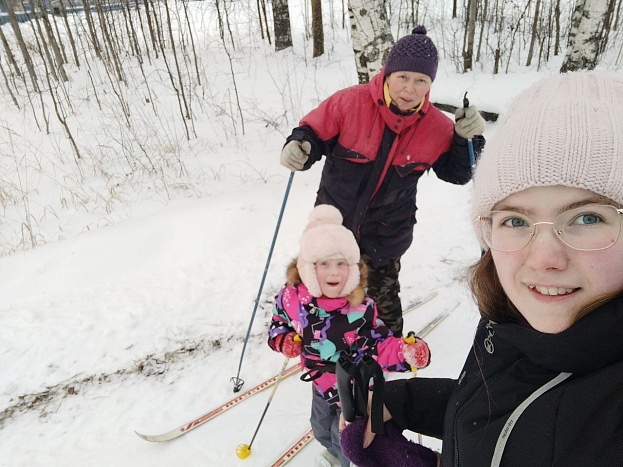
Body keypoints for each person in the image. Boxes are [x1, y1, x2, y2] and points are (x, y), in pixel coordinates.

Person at [338, 70, 623, 467]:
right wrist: (400, 403)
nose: (544, 259)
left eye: (588, 218)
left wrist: (461, 140)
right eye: (516, 221)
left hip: (388, 238)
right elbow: (506, 408)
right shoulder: (508, 319)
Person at [280, 26, 486, 337]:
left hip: (386, 236)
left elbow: (458, 173)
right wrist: (299, 146)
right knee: (322, 290)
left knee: (383, 302)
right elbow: (312, 134)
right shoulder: (349, 103)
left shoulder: (436, 127)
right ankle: (321, 343)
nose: (410, 88)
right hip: (333, 229)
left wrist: (466, 139)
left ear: (430, 84)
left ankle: (386, 354)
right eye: (403, 76)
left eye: (421, 81)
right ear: (387, 73)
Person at [267, 204, 432, 467]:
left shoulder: (359, 308)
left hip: (355, 389)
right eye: (324, 263)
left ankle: (346, 461)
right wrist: (283, 340)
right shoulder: (291, 298)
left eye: (341, 263)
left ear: (352, 268)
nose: (334, 271)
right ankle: (331, 451)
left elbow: (380, 345)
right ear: (308, 267)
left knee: (346, 438)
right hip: (320, 383)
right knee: (320, 427)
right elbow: (278, 322)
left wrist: (405, 352)